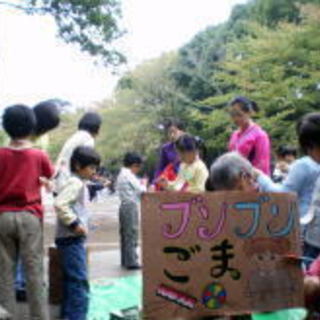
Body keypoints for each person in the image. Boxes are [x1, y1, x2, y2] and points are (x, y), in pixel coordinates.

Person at [0, 104, 54, 320]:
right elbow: (49, 178)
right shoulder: (38, 155)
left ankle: (7, 315)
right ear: (32, 126)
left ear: (5, 127)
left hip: (2, 217)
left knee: (4, 273)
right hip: (30, 217)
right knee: (34, 272)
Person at [15, 99, 61, 302]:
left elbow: (43, 173)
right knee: (22, 246)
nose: (43, 133)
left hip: (25, 202)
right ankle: (21, 283)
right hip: (22, 203)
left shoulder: (40, 140)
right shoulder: (19, 136)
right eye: (43, 128)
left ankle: (24, 282)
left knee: (26, 246)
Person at [54, 146, 101, 320]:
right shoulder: (75, 182)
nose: (93, 172)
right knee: (79, 282)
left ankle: (68, 315)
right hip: (71, 239)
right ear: (78, 165)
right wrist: (75, 225)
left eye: (95, 168)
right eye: (91, 168)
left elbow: (74, 206)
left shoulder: (77, 181)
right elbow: (60, 204)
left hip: (68, 239)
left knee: (71, 281)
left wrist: (86, 223)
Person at [255, 113, 320, 230]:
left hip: (309, 229)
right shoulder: (307, 165)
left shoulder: (304, 164)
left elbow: (284, 194)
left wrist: (260, 177)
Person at [55, 112, 102, 191]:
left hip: (60, 176)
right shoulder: (88, 139)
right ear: (96, 127)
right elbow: (87, 163)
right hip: (71, 180)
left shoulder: (76, 136)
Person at [116, 152, 147, 270]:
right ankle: (132, 261)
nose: (138, 170)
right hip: (130, 206)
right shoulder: (128, 175)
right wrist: (144, 184)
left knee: (125, 234)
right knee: (131, 233)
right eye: (138, 167)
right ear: (134, 165)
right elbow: (141, 190)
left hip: (124, 206)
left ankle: (126, 259)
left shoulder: (122, 174)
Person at [228, 96, 271, 175]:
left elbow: (262, 165)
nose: (235, 119)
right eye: (232, 115)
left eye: (239, 114)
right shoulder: (234, 135)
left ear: (249, 112)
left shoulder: (260, 135)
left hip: (252, 181)